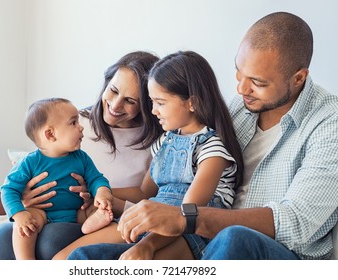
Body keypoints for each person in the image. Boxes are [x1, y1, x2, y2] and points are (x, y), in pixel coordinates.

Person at [68, 12, 338, 260]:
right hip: (204, 238)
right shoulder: (239, 109)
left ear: (299, 78)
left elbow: (296, 222)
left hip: (276, 253)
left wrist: (187, 218)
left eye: (258, 82)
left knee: (234, 238)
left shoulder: (328, 123)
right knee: (84, 259)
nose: (241, 88)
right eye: (239, 72)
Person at [52, 50, 243, 260]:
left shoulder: (212, 151)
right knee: (68, 259)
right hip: (150, 221)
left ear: (192, 103)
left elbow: (187, 215)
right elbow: (144, 191)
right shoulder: (165, 142)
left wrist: (146, 246)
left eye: (160, 103)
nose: (153, 111)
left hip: (188, 234)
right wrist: (99, 190)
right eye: (152, 102)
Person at [0, 51, 162, 260]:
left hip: (94, 213)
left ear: (148, 104)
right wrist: (24, 200)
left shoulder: (158, 141)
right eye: (113, 90)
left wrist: (98, 192)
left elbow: (146, 194)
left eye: (130, 100)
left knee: (51, 240)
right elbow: (21, 179)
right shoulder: (74, 122)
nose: (115, 105)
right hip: (44, 210)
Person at [1, 97, 114, 259]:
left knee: (97, 210)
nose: (81, 127)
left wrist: (102, 192)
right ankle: (25, 262)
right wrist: (19, 214)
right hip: (43, 213)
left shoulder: (81, 158)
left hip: (77, 212)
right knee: (26, 225)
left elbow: (96, 178)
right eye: (73, 122)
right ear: (50, 134)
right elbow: (9, 189)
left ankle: (91, 224)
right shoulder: (30, 162)